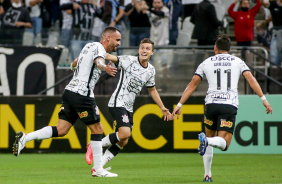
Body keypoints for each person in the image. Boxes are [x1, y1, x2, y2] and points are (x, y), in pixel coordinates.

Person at [12, 27, 121, 177]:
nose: (119, 43)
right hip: (82, 95)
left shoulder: (88, 46)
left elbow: (75, 62)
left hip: (69, 92)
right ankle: (97, 169)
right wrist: (104, 68)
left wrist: (72, 66)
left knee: (61, 129)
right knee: (98, 129)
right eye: (117, 40)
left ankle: (26, 137)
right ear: (108, 38)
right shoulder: (99, 48)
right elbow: (99, 61)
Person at [172, 34, 273, 182]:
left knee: (210, 138)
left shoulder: (206, 62)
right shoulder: (238, 61)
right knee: (224, 144)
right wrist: (264, 99)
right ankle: (206, 141)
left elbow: (192, 85)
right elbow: (251, 79)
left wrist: (180, 104)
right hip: (228, 104)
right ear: (230, 49)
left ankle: (207, 174)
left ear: (215, 48)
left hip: (210, 105)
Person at [85, 38, 172, 171]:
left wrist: (162, 107)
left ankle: (99, 166)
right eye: (142, 47)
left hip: (129, 107)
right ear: (139, 49)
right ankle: (95, 145)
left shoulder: (151, 70)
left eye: (148, 48)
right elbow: (108, 56)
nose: (144, 50)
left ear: (152, 52)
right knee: (125, 133)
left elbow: (152, 89)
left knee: (123, 141)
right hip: (117, 102)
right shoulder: (129, 60)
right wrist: (97, 54)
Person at [264, 0, 282, 66]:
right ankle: (274, 72)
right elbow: (264, 3)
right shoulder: (273, 4)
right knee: (274, 55)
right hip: (276, 32)